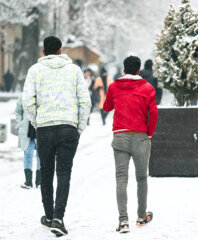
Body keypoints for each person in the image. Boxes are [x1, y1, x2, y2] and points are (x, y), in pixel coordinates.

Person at [22, 36, 91, 237]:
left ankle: (49, 215)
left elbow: (28, 101)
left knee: (46, 173)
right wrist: (79, 127)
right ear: (61, 50)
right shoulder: (75, 70)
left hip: (44, 128)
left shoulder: (35, 71)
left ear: (43, 52)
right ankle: (59, 218)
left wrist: (37, 123)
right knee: (64, 173)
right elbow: (84, 102)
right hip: (68, 128)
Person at [103, 56, 158, 233]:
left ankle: (123, 220)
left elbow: (106, 107)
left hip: (120, 136)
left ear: (124, 69)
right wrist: (149, 134)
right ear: (139, 70)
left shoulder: (114, 87)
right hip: (140, 137)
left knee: (121, 179)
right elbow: (154, 113)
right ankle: (141, 216)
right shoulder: (148, 88)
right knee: (142, 178)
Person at [15, 95, 41, 189]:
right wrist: (20, 123)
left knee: (41, 155)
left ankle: (39, 181)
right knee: (28, 154)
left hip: (40, 129)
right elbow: (18, 112)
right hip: (27, 130)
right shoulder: (23, 96)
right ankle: (28, 181)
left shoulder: (43, 94)